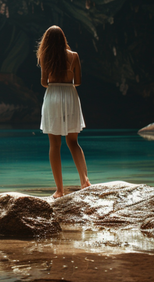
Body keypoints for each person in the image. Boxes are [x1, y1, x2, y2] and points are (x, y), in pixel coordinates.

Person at [36, 25, 91, 198]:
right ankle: (85, 182)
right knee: (73, 142)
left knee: (55, 145)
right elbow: (79, 81)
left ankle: (59, 190)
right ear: (63, 39)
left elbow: (44, 82)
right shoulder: (74, 56)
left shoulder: (45, 57)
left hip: (53, 97)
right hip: (70, 95)